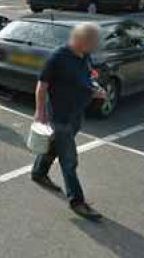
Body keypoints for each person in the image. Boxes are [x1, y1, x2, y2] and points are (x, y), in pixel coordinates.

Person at [32, 22, 106, 221]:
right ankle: (77, 202)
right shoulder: (58, 57)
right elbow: (41, 87)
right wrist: (40, 112)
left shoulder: (85, 56)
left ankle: (38, 172)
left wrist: (95, 88)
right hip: (60, 116)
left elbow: (87, 77)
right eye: (92, 41)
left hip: (76, 115)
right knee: (69, 159)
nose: (94, 45)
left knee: (55, 146)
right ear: (81, 40)